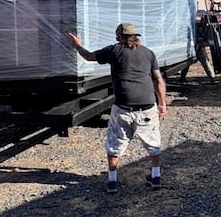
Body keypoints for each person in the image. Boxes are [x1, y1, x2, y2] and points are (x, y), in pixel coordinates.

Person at [67, 23, 167, 194]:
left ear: (119, 36)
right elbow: (158, 80)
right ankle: (156, 177)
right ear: (135, 36)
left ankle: (112, 181)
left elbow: (89, 57)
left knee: (115, 144)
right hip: (147, 106)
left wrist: (77, 46)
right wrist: (162, 103)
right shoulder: (148, 53)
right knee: (153, 142)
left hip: (123, 107)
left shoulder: (114, 50)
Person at [179, 18, 216, 84]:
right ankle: (182, 77)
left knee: (205, 63)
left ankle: (212, 78)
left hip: (198, 47)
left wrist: (199, 44)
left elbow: (205, 39)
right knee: (187, 63)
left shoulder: (198, 27)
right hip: (193, 46)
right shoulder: (195, 26)